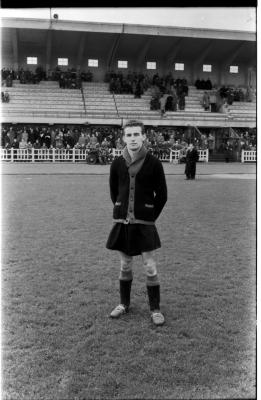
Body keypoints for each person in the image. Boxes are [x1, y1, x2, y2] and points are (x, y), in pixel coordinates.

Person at [106, 120, 167, 326]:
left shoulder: (154, 162)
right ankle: (124, 304)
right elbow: (114, 192)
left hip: (144, 223)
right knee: (125, 264)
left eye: (136, 135)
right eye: (129, 135)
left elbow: (162, 195)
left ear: (143, 137)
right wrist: (122, 208)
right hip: (122, 222)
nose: (132, 138)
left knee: (150, 267)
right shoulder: (116, 163)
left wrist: (149, 216)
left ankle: (155, 309)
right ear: (123, 138)